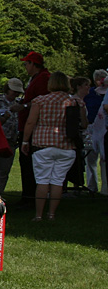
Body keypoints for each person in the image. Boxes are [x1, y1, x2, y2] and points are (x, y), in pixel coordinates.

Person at [21, 71, 86, 222]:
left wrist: (25, 141)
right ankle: (51, 214)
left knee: (42, 180)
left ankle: (38, 215)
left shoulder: (41, 100)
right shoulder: (76, 102)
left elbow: (30, 122)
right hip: (66, 145)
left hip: (43, 144)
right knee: (57, 181)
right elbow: (83, 124)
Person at [13, 52, 51, 204]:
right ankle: (29, 196)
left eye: (26, 63)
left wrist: (23, 106)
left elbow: (40, 102)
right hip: (28, 125)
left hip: (33, 127)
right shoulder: (37, 78)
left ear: (34, 64)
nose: (25, 67)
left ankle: (30, 198)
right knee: (27, 164)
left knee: (29, 164)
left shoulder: (42, 79)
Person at [0, 78, 24, 195]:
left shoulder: (19, 103)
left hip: (11, 142)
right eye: (14, 91)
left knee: (3, 171)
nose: (15, 94)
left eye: (18, 92)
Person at [83, 69, 107, 192]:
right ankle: (92, 186)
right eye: (99, 78)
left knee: (104, 159)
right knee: (90, 158)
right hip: (91, 127)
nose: (101, 81)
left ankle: (105, 187)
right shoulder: (91, 93)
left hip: (104, 128)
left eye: (103, 78)